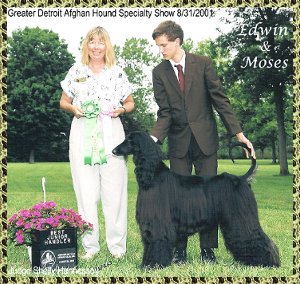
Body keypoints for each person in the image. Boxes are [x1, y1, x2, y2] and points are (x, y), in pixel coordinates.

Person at [150, 21, 255, 264]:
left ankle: (208, 250)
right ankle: (180, 251)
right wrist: (153, 138)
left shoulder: (203, 63)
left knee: (210, 198)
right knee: (178, 200)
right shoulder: (159, 72)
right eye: (158, 47)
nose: (161, 50)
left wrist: (238, 133)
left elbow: (220, 100)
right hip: (178, 145)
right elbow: (164, 112)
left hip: (206, 142)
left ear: (177, 41)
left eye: (164, 45)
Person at [60, 26, 134, 260]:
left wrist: (121, 109)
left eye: (101, 42)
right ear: (86, 45)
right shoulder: (76, 70)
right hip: (83, 133)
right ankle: (90, 247)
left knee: (115, 194)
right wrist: (73, 108)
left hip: (113, 133)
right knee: (86, 193)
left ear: (107, 45)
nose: (96, 46)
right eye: (92, 41)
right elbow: (64, 101)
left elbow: (130, 102)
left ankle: (117, 248)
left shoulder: (118, 72)